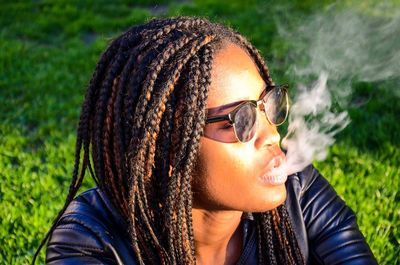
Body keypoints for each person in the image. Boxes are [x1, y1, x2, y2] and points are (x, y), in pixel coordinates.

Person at [33, 16, 377, 265]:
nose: (273, 134)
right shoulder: (91, 242)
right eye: (243, 121)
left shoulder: (299, 194)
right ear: (166, 150)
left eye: (269, 105)